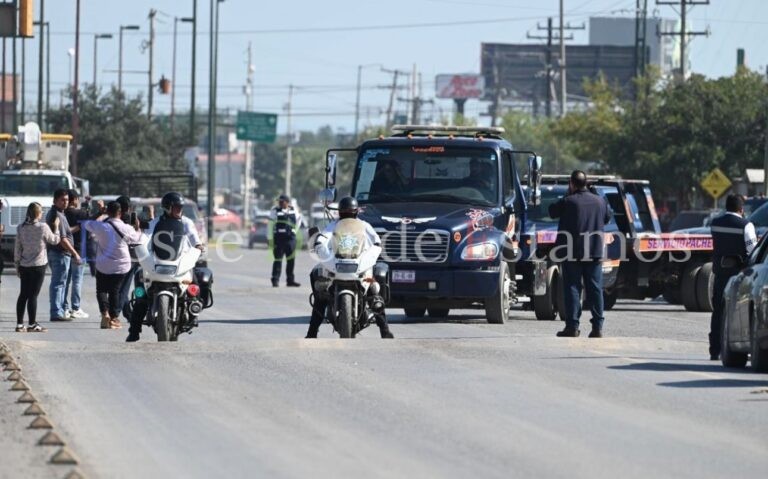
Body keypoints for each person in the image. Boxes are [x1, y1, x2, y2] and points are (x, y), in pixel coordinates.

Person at [305, 196, 393, 339]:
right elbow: (323, 237)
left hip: (360, 264)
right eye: (345, 213)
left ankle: (384, 329)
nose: (347, 216)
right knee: (319, 289)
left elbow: (376, 240)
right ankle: (312, 332)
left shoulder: (364, 225)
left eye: (350, 213)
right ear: (340, 213)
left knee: (374, 288)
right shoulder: (333, 225)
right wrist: (318, 244)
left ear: (356, 212)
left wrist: (374, 250)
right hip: (336, 263)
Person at [126, 192, 204, 342]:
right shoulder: (155, 222)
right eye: (176, 207)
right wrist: (139, 244)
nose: (179, 210)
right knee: (140, 291)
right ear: (167, 207)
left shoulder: (186, 222)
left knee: (194, 282)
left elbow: (194, 236)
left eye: (180, 207)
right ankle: (134, 331)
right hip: (158, 261)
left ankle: (194, 311)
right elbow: (146, 237)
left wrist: (198, 246)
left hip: (180, 261)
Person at [549, 170, 612, 338]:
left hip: (572, 252)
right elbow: (608, 217)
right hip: (594, 251)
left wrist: (567, 194)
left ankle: (572, 327)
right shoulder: (599, 201)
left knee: (572, 288)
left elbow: (552, 211)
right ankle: (597, 328)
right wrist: (597, 194)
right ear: (586, 183)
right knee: (595, 289)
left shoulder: (568, 201)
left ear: (571, 183)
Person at [709, 194, 757, 360]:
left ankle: (714, 349)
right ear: (741, 209)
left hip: (720, 274)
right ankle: (734, 349)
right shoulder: (746, 225)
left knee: (718, 311)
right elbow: (753, 251)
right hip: (738, 276)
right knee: (737, 313)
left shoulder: (715, 223)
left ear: (726, 207)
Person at [85, 201, 143, 329]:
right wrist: (137, 228)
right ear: (120, 213)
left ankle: (104, 313)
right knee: (114, 291)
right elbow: (137, 240)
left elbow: (87, 224)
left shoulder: (101, 226)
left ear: (108, 212)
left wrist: (99, 212)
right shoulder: (126, 228)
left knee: (101, 290)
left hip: (103, 265)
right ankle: (113, 318)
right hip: (121, 265)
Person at [14, 203, 61, 332]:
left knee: (23, 294)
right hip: (38, 265)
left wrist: (17, 265)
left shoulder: (21, 227)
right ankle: (32, 324)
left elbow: (18, 248)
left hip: (24, 265)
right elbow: (55, 240)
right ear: (37, 213)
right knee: (33, 295)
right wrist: (57, 227)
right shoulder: (43, 227)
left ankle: (19, 324)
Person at [46, 188, 82, 322]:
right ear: (55, 200)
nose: (65, 202)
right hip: (60, 253)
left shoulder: (60, 213)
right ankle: (56, 312)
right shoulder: (56, 215)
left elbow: (66, 232)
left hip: (60, 253)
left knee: (61, 283)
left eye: (67, 200)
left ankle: (59, 310)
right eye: (62, 200)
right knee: (59, 283)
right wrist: (75, 253)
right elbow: (62, 239)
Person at [63, 190, 92, 320]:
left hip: (65, 250)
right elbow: (90, 220)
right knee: (77, 280)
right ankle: (75, 307)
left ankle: (64, 307)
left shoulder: (62, 213)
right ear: (74, 199)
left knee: (66, 280)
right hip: (79, 250)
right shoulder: (80, 213)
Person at [270, 194, 302, 288]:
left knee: (291, 260)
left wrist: (295, 231)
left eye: (282, 201)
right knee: (278, 260)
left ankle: (290, 281)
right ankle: (275, 280)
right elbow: (271, 224)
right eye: (279, 201)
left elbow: (299, 220)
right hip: (279, 239)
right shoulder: (275, 210)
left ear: (287, 202)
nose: (280, 203)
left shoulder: (294, 210)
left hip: (290, 239)